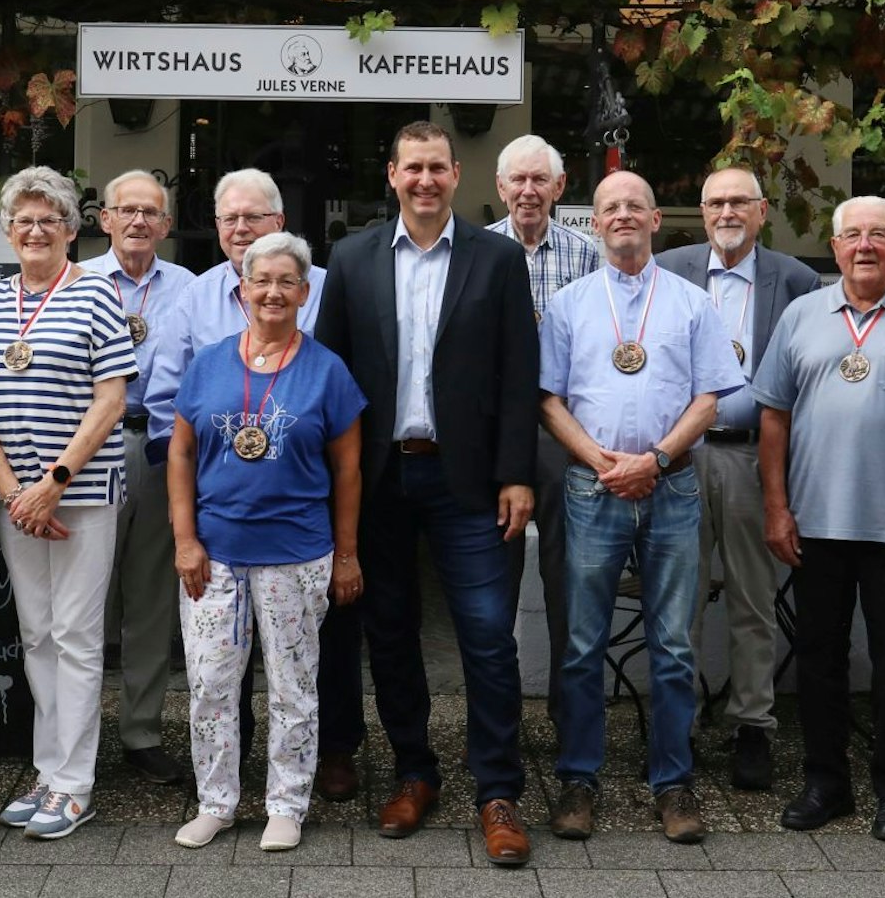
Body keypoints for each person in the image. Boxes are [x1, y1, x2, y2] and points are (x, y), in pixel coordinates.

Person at [316, 121, 540, 867]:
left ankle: (498, 790)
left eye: (437, 168)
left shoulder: (499, 259)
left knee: (485, 636)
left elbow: (518, 373)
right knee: (391, 632)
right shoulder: (351, 260)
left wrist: (517, 473)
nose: (425, 180)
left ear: (455, 174)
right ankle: (415, 771)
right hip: (379, 478)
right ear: (391, 174)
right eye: (412, 167)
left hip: (467, 477)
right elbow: (332, 380)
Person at [135, 167, 363, 806]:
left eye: (255, 218)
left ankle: (295, 793)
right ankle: (218, 799)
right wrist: (188, 528)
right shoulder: (201, 324)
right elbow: (173, 429)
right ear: (241, 283)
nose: (271, 289)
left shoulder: (328, 304)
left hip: (299, 534)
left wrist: (346, 551)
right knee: (212, 681)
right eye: (230, 220)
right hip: (216, 532)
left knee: (300, 678)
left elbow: (347, 458)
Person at [753, 195, 885, 843]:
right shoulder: (801, 315)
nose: (866, 245)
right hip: (815, 522)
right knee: (818, 658)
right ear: (835, 243)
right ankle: (825, 781)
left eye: (880, 234)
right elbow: (773, 417)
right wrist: (775, 505)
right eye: (853, 235)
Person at [539, 171, 742, 844]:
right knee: (579, 642)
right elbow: (550, 401)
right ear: (592, 224)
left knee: (675, 644)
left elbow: (710, 398)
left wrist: (652, 460)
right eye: (609, 207)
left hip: (674, 485)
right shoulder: (569, 305)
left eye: (634, 205)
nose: (622, 215)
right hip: (593, 485)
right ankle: (577, 777)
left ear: (657, 220)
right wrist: (604, 462)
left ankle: (674, 781)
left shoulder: (690, 302)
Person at [0, 166, 137, 840]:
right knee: (35, 634)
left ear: (71, 229)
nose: (35, 231)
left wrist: (54, 481)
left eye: (50, 220)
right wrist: (15, 490)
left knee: (75, 634)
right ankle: (48, 769)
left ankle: (74, 784)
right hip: (14, 500)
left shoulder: (95, 293)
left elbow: (112, 398)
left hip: (82, 494)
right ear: (7, 231)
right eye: (23, 220)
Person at [658, 165, 822, 791]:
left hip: (757, 459)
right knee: (681, 596)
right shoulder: (669, 270)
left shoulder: (797, 281)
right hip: (680, 455)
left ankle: (752, 723)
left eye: (739, 202)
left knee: (754, 597)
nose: (727, 212)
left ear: (761, 212)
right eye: (715, 201)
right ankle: (681, 718)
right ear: (701, 211)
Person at [80, 169, 196, 787]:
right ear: (104, 219)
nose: (138, 222)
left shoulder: (190, 287)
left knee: (150, 597)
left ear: (167, 225)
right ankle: (77, 736)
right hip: (89, 448)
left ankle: (142, 732)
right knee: (84, 597)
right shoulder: (76, 284)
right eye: (126, 210)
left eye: (151, 212)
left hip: (157, 447)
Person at [484, 134, 599, 712]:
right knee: (490, 578)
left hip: (564, 432)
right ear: (500, 187)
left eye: (540, 180)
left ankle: (568, 711)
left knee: (567, 573)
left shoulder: (589, 255)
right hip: (492, 431)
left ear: (559, 188)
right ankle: (494, 712)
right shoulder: (473, 254)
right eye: (517, 180)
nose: (528, 191)